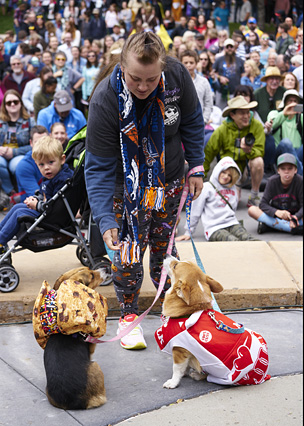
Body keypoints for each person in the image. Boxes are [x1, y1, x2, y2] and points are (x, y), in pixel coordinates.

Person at [84, 32, 205, 350]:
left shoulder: (178, 74)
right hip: (126, 191)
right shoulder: (104, 100)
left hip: (171, 179)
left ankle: (174, 314)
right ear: (122, 66)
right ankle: (128, 316)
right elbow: (97, 167)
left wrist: (196, 166)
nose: (142, 86)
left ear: (163, 68)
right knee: (128, 255)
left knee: (166, 254)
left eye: (151, 80)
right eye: (135, 78)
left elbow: (192, 119)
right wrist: (105, 219)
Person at [0, 135, 73, 254]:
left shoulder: (63, 179)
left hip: (54, 217)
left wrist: (37, 205)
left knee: (19, 213)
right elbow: (46, 195)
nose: (46, 168)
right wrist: (36, 199)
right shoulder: (52, 175)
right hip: (48, 210)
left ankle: (1, 241)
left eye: (51, 162)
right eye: (41, 165)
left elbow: (54, 205)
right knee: (17, 207)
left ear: (62, 159)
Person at [176, 156, 258, 242]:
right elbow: (195, 210)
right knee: (233, 241)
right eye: (223, 172)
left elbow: (233, 208)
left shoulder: (233, 188)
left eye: (229, 175)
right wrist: (188, 232)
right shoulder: (207, 188)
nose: (226, 176)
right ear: (218, 170)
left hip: (232, 223)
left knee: (248, 238)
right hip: (214, 228)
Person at [204, 95, 265, 207]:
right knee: (231, 203)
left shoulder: (256, 126)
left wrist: (248, 150)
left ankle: (254, 194)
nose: (247, 116)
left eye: (248, 112)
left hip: (248, 166)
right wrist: (200, 179)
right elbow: (208, 154)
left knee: (258, 161)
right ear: (232, 115)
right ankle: (236, 188)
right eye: (242, 113)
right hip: (229, 170)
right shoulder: (222, 130)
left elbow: (260, 150)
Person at [248, 153, 303, 235]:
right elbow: (263, 204)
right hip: (276, 216)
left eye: (290, 168)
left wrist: (295, 217)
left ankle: (271, 226)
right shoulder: (272, 181)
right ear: (278, 171)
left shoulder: (300, 181)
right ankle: (292, 229)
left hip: (295, 216)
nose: (286, 171)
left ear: (295, 170)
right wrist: (277, 212)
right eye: (283, 169)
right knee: (252, 210)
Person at [0, 89, 35, 199]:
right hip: (1, 154)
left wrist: (14, 152)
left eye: (15, 101)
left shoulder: (29, 121)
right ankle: (11, 193)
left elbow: (35, 145)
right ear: (4, 105)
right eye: (9, 102)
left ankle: (22, 194)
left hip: (20, 154)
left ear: (21, 103)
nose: (12, 104)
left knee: (17, 165)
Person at [266, 89, 303, 175]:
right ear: (285, 102)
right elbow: (271, 127)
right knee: (286, 143)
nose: (292, 103)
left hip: (297, 152)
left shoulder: (300, 117)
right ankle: (301, 174)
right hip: (280, 153)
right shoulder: (274, 113)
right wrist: (284, 113)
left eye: (295, 101)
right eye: (290, 100)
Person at [15, 125, 48, 203]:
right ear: (31, 143)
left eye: (44, 141)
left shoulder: (55, 159)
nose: (41, 146)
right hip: (33, 206)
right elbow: (38, 196)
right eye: (37, 142)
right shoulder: (24, 166)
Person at [180, 50, 213, 126]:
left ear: (196, 64)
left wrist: (204, 119)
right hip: (181, 124)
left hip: (198, 122)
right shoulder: (177, 82)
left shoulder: (203, 82)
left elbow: (208, 103)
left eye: (191, 63)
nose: (189, 65)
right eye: (185, 63)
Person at [212, 38, 245, 109]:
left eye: (231, 47)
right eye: (227, 47)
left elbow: (243, 75)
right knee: (220, 112)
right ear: (224, 48)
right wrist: (220, 77)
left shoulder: (240, 61)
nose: (229, 49)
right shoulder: (219, 60)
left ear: (234, 48)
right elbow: (213, 73)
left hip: (236, 93)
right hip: (221, 92)